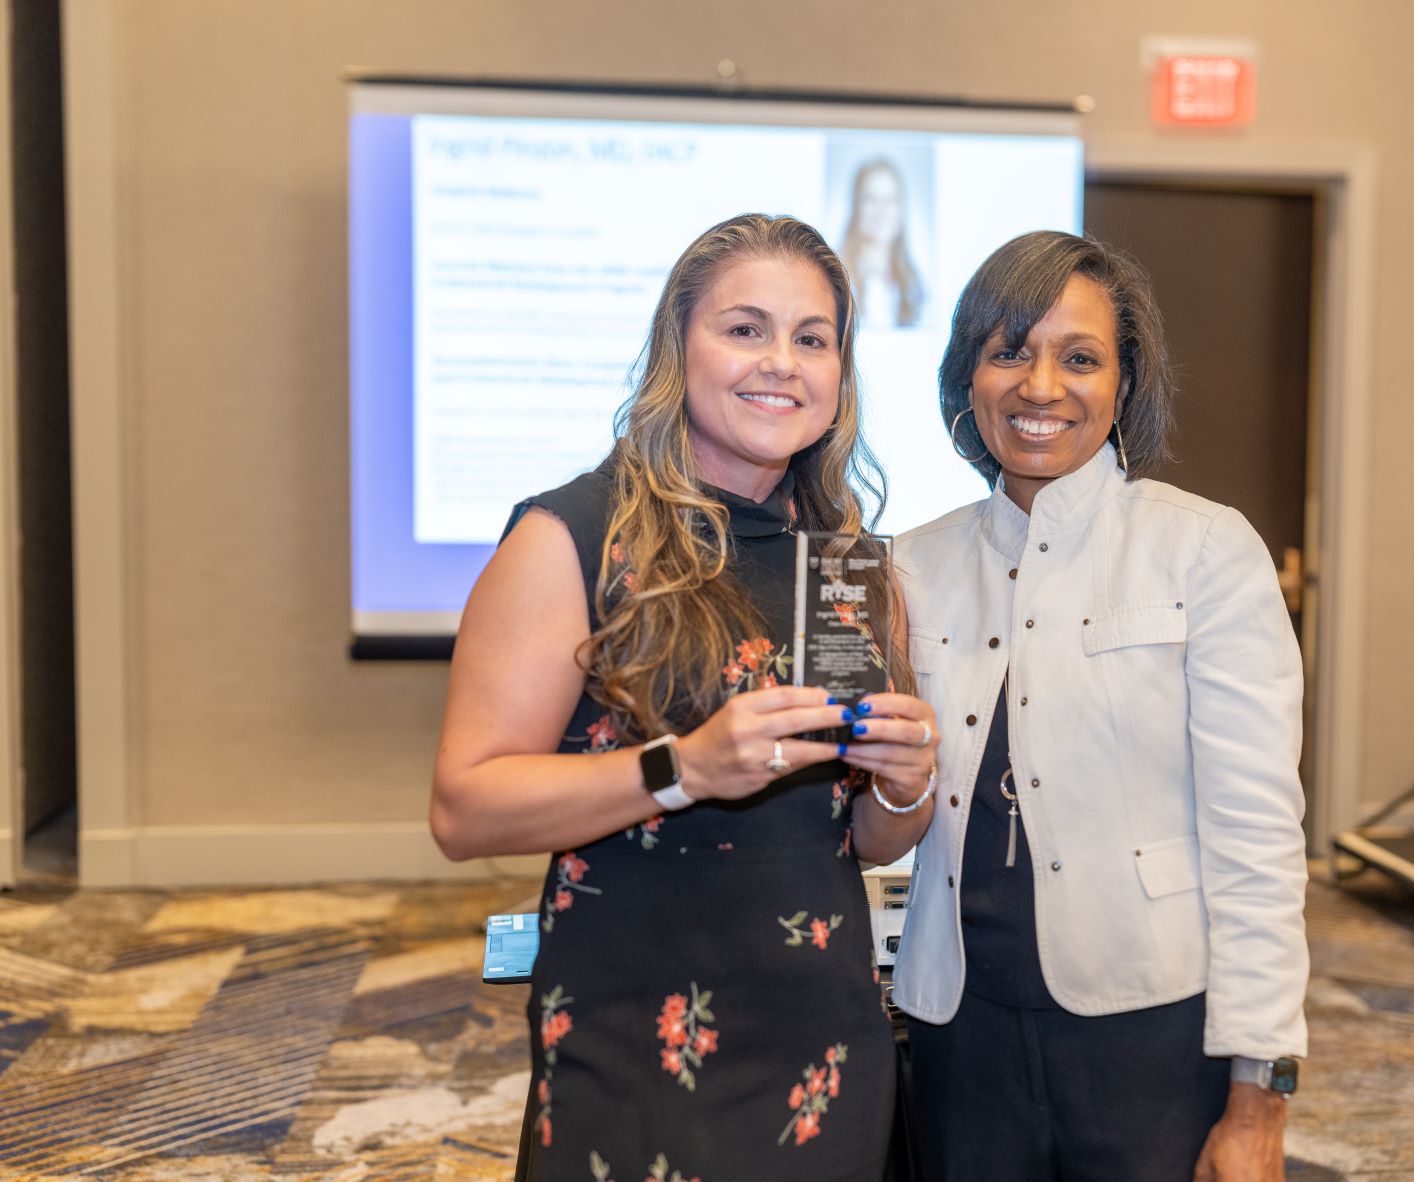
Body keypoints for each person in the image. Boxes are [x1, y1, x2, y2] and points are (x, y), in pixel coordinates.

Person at [430, 213, 941, 1182]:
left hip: (821, 1049)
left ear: (841, 376)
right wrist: (684, 769)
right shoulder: (570, 538)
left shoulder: (849, 565)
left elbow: (857, 840)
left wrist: (905, 787)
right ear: (679, 349)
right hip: (636, 1038)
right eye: (745, 329)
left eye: (812, 338)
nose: (781, 363)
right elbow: (463, 808)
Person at [892, 231, 1308, 1182]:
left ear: (1126, 384)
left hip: (1152, 1028)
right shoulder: (908, 565)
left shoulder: (1204, 550)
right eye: (1009, 352)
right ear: (969, 374)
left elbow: (1257, 840)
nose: (1041, 386)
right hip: (959, 1027)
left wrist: (1259, 1092)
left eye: (1079, 358)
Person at [840, 158, 925, 329]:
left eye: (891, 200)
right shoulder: (836, 275)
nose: (882, 211)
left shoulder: (914, 282)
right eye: (871, 199)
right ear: (856, 205)